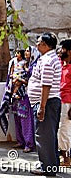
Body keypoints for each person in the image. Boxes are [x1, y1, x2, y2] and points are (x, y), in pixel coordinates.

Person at [28, 32, 62, 176]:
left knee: (43, 135)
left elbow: (46, 85)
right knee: (49, 134)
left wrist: (41, 107)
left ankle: (47, 167)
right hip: (49, 102)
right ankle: (51, 164)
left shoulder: (48, 61)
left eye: (39, 42)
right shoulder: (49, 58)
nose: (36, 45)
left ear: (45, 45)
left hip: (46, 102)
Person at [10, 46, 37, 153]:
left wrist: (19, 79)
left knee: (25, 119)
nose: (26, 52)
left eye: (28, 50)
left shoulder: (34, 66)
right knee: (17, 118)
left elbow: (32, 80)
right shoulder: (23, 64)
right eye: (25, 50)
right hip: (17, 94)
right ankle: (20, 141)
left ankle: (29, 143)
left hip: (26, 95)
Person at [57, 39, 71, 166]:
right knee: (61, 129)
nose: (61, 51)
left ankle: (66, 158)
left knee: (64, 129)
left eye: (63, 49)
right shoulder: (61, 63)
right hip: (60, 100)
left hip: (68, 102)